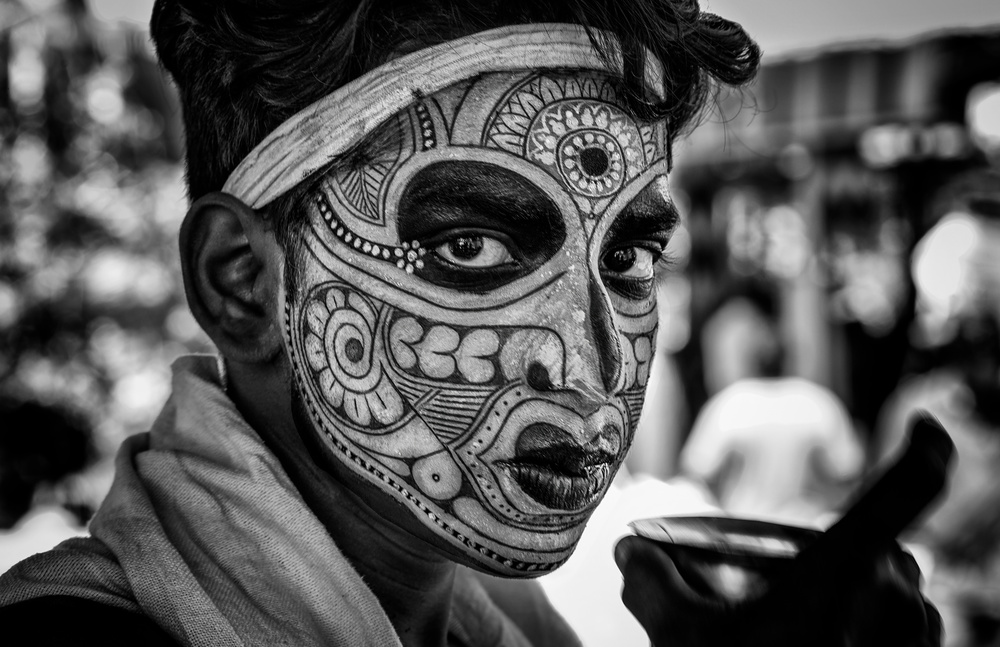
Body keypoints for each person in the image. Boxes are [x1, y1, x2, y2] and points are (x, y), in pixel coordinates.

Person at [0, 1, 940, 645]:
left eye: (629, 259)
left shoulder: (505, 625)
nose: (590, 360)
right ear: (243, 284)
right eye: (474, 247)